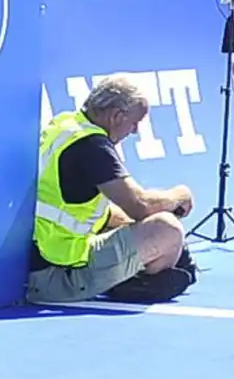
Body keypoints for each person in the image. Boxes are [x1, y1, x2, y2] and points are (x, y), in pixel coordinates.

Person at [29, 76, 196, 304]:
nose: (135, 130)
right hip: (64, 274)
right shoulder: (92, 146)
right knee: (168, 229)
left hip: (43, 260)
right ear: (117, 115)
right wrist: (180, 195)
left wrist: (132, 226)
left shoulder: (65, 125)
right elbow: (141, 205)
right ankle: (135, 283)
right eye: (134, 122)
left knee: (134, 223)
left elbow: (94, 212)